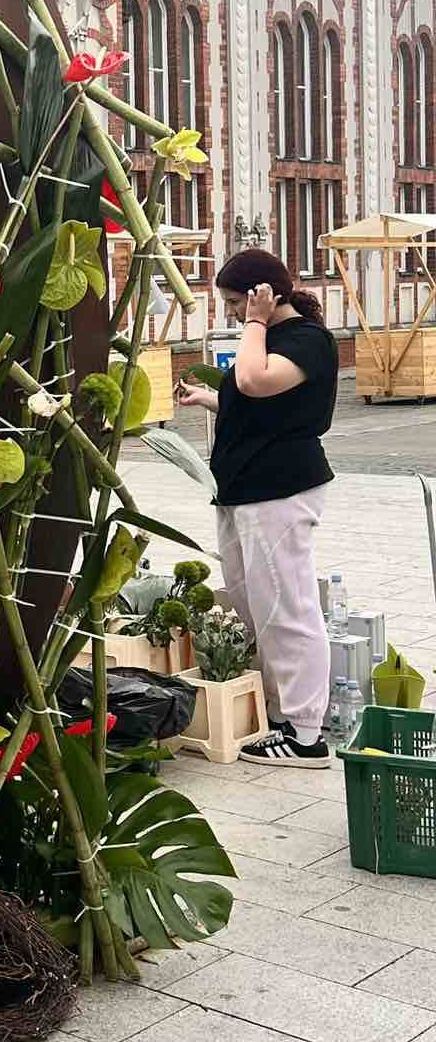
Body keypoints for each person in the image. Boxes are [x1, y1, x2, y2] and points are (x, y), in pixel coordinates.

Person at [174, 248, 338, 766]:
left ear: (260, 296)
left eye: (232, 303)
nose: (228, 314)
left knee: (288, 608)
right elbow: (252, 401)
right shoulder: (267, 340)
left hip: (281, 488)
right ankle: (281, 714)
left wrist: (254, 323)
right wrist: (209, 398)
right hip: (244, 488)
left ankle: (307, 733)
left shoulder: (307, 340)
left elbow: (254, 381)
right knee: (254, 606)